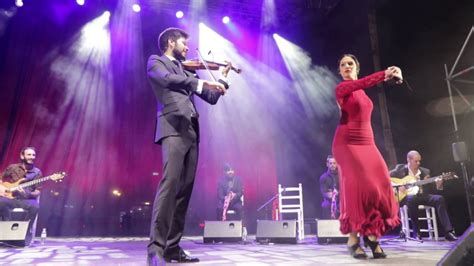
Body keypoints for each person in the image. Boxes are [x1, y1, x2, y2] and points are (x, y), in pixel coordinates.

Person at [146, 27, 232, 265]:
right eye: (184, 43)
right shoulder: (157, 61)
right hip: (173, 128)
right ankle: (155, 249)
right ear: (171, 42)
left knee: (184, 192)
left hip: (192, 132)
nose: (187, 47)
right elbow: (165, 79)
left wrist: (223, 76)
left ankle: (172, 248)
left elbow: (212, 97)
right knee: (170, 185)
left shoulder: (186, 72)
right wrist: (201, 82)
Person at [332, 54, 401, 259]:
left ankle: (371, 234)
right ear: (340, 70)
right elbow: (363, 82)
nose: (346, 66)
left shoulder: (361, 90)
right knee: (359, 189)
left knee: (381, 185)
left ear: (356, 67)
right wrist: (384, 74)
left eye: (350, 64)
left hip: (367, 143)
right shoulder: (342, 88)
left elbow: (363, 84)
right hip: (347, 143)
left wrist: (391, 76)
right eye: (342, 64)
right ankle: (353, 239)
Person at [389, 150, 457, 241]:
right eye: (416, 161)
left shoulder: (425, 171)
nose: (418, 163)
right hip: (408, 197)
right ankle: (417, 232)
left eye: (419, 161)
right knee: (411, 198)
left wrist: (439, 184)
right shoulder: (399, 169)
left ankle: (448, 232)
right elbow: (385, 177)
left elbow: (433, 188)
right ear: (408, 160)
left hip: (423, 196)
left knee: (439, 198)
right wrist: (399, 186)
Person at [0, 147, 42, 246]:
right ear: (22, 156)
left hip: (26, 200)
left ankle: (25, 232)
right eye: (29, 155)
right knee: (1, 202)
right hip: (10, 198)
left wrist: (28, 194)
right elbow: (1, 178)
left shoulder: (37, 172)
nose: (32, 157)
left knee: (35, 207)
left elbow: (37, 191)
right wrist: (1, 188)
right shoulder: (12, 168)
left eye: (33, 155)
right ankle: (7, 232)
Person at [319, 155, 339, 219]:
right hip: (329, 200)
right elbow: (323, 192)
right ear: (327, 164)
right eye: (330, 163)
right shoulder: (323, 177)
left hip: (340, 199)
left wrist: (338, 193)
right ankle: (327, 227)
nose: (332, 165)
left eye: (334, 163)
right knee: (325, 205)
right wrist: (330, 195)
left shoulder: (341, 176)